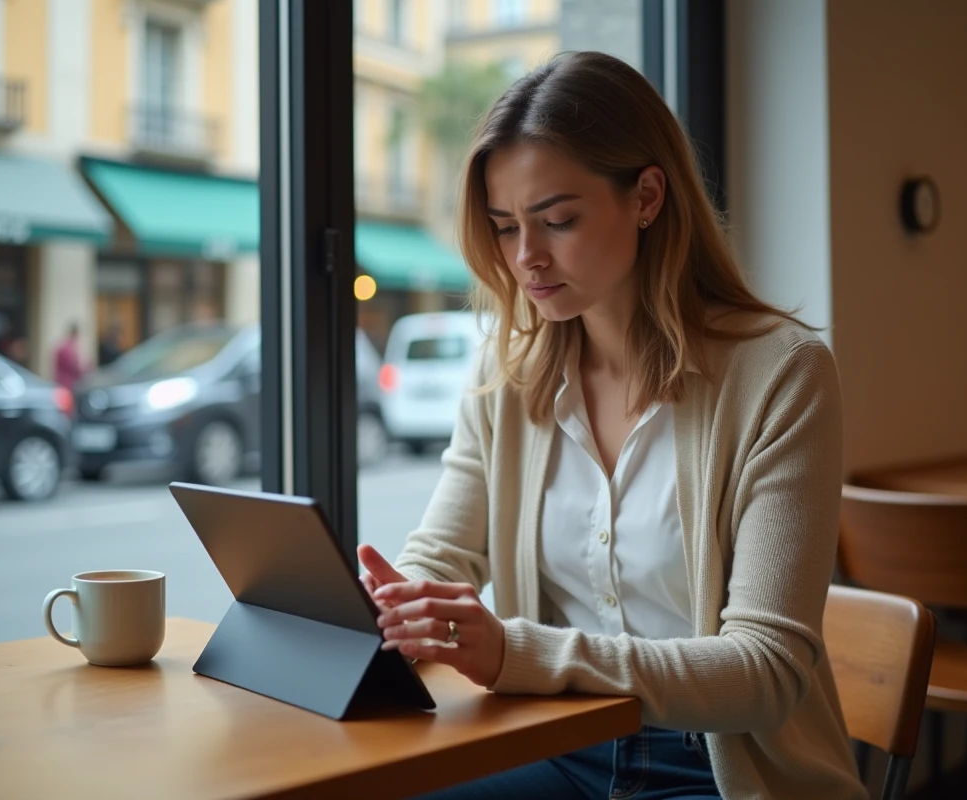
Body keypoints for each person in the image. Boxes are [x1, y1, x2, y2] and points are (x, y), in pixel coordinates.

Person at [356, 51, 866, 800]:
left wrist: (514, 652)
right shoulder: (508, 370)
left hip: (724, 772)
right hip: (562, 744)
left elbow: (767, 670)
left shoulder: (780, 375)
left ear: (648, 196)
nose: (526, 258)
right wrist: (399, 605)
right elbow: (444, 551)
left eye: (558, 220)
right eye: (504, 227)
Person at [53, 322, 84, 389]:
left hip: (61, 381)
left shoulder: (64, 346)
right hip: (67, 383)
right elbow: (73, 366)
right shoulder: (68, 348)